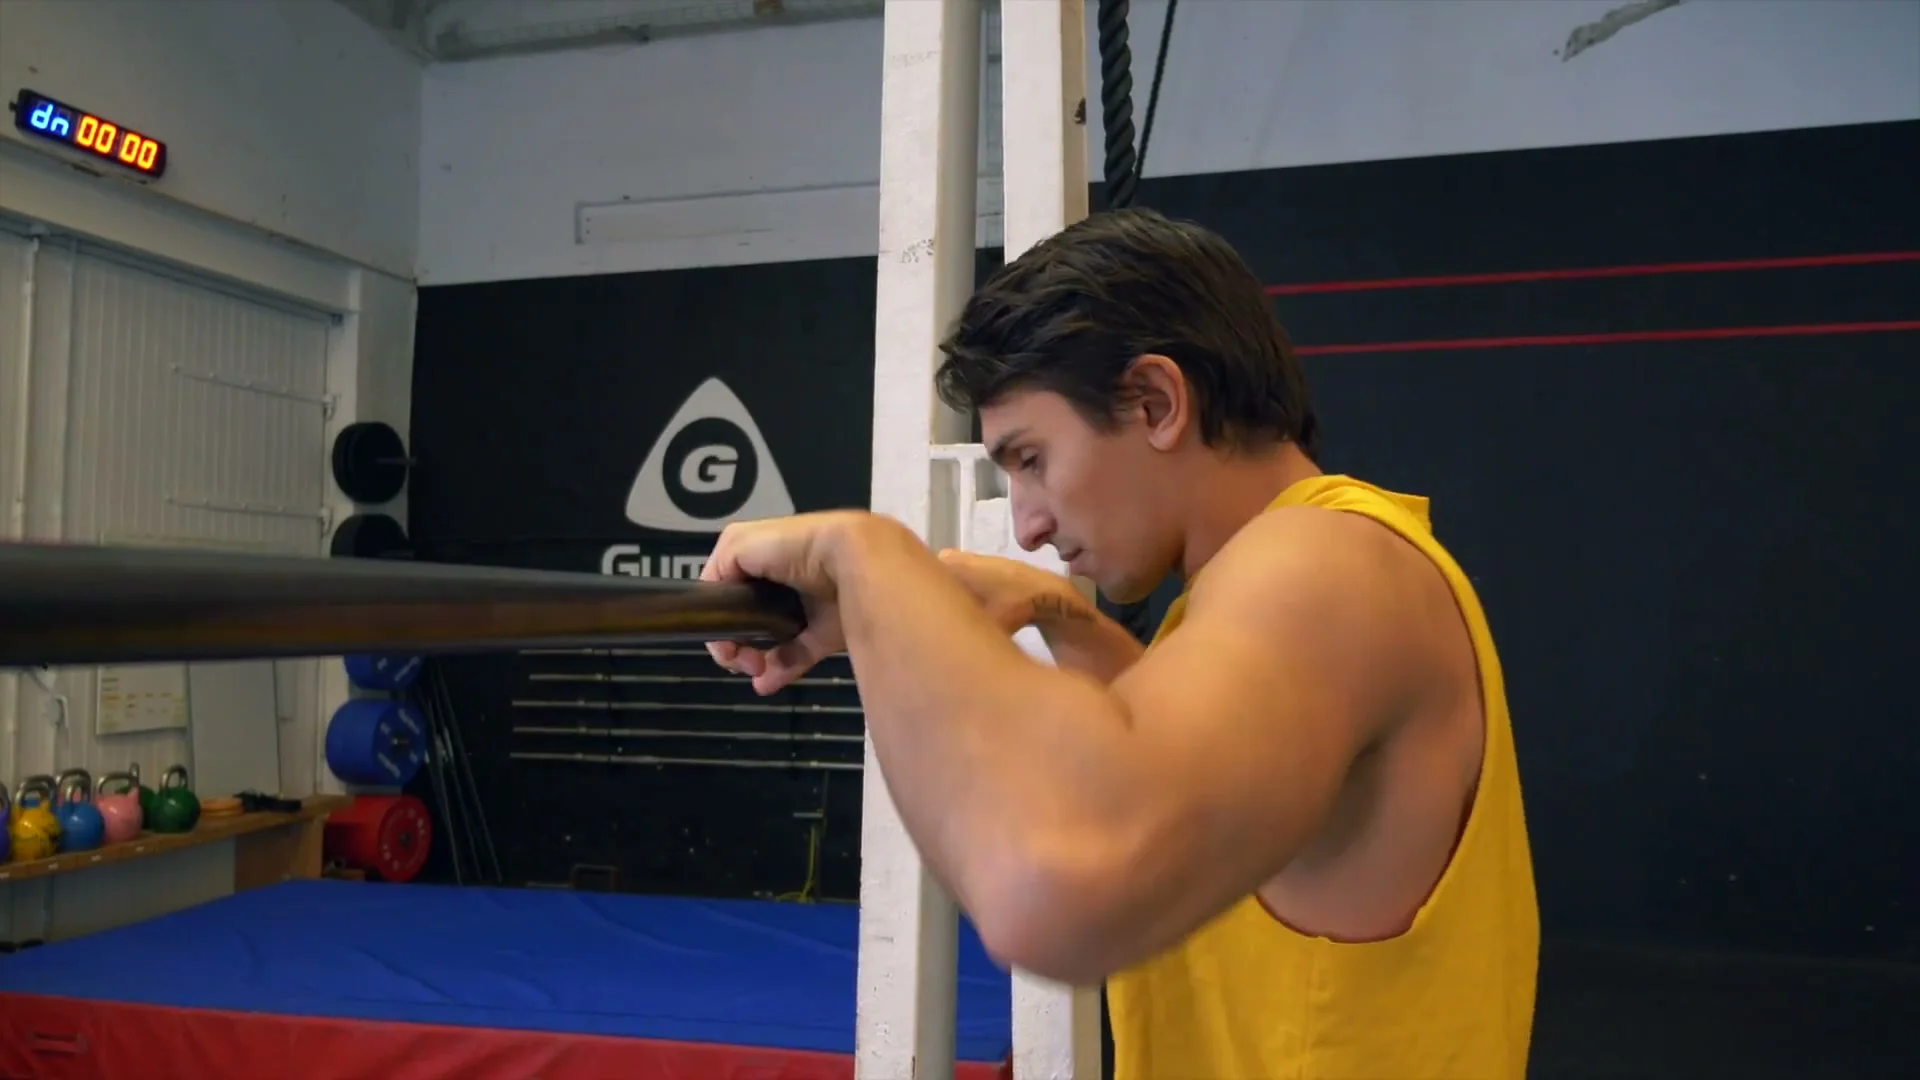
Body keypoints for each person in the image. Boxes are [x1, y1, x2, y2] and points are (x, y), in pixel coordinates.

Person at [702, 207, 1539, 1080]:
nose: (1026, 525)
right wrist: (1059, 618)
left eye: (1031, 459)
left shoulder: (1328, 565)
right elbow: (1203, 777)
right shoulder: (1260, 589)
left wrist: (870, 561)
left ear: (1156, 401)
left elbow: (1061, 893)